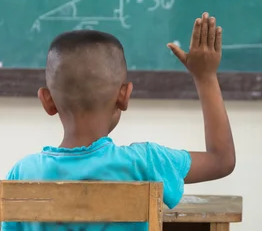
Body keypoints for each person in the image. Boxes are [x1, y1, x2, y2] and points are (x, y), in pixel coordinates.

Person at [3, 13, 235, 231]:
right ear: (124, 96)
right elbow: (222, 160)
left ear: (47, 101)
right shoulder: (146, 163)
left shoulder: (22, 174)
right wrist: (205, 77)